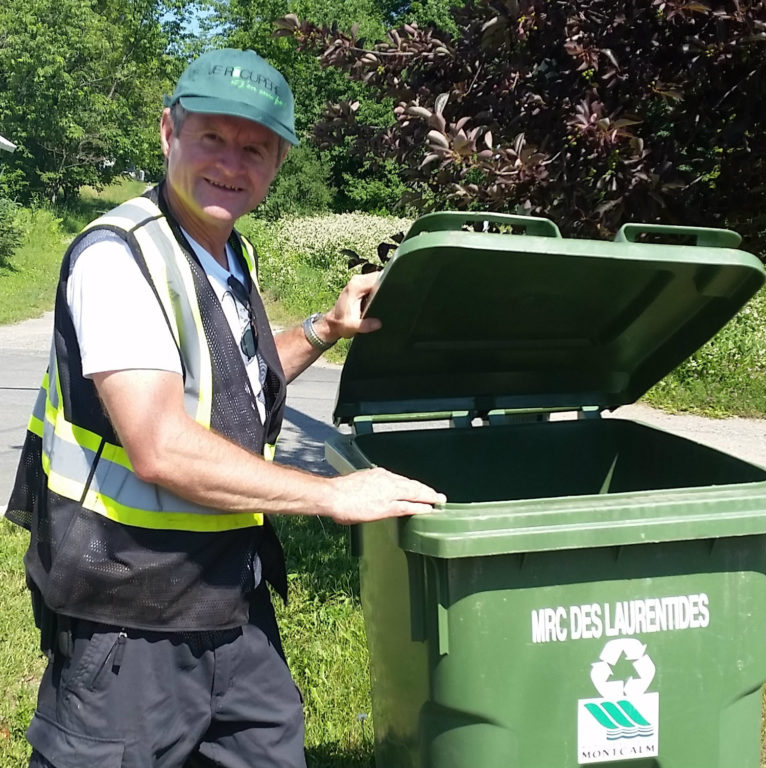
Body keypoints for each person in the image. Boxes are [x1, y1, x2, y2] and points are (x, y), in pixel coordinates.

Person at [4, 48, 445, 768]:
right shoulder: (120, 258)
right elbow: (160, 444)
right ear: (168, 132)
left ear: (275, 165)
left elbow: (228, 380)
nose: (231, 163)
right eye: (212, 137)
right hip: (126, 613)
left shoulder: (227, 252)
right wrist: (331, 495)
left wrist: (320, 330)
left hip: (226, 597)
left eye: (255, 148)